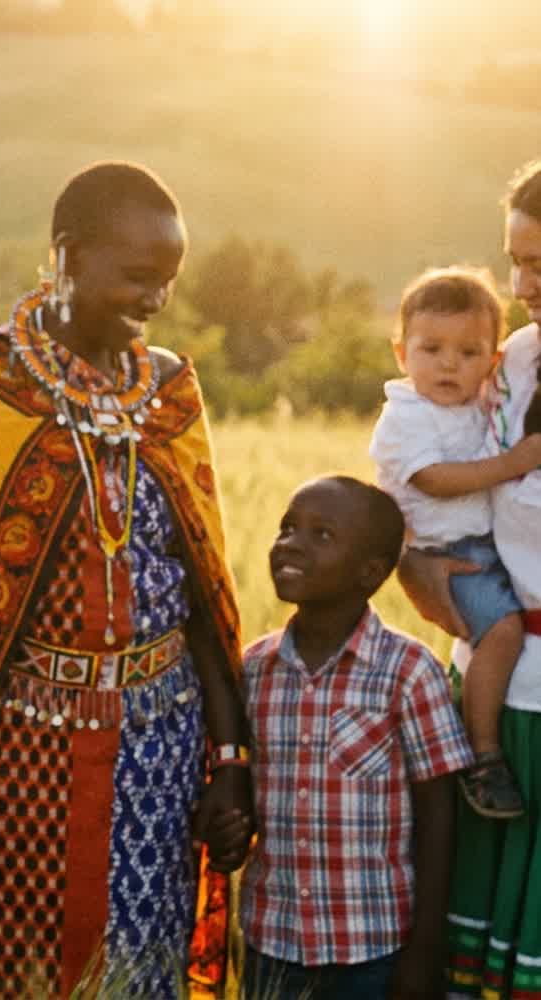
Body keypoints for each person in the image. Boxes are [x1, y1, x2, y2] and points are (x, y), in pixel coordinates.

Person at [0, 161, 253, 998]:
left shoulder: (167, 391)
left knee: (140, 970)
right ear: (69, 255)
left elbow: (206, 596)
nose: (156, 300)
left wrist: (229, 761)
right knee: (17, 970)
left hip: (163, 749)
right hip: (19, 750)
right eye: (138, 276)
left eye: (167, 281)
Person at [238, 476, 470, 998]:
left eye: (321, 535)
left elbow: (438, 814)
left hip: (371, 950)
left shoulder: (408, 673)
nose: (291, 543)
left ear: (370, 572)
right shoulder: (254, 668)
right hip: (271, 943)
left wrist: (425, 951)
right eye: (287, 528)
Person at [402, 159, 541, 997]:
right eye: (518, 260)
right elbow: (431, 463)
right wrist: (413, 560)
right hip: (494, 684)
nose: (525, 284)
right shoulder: (511, 356)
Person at [370, 266, 541, 820]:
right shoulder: (406, 416)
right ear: (401, 353)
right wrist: (511, 464)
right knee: (502, 632)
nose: (448, 364)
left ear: (491, 364)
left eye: (468, 353)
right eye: (431, 349)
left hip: (482, 549)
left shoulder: (482, 400)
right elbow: (432, 479)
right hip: (457, 555)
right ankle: (483, 754)